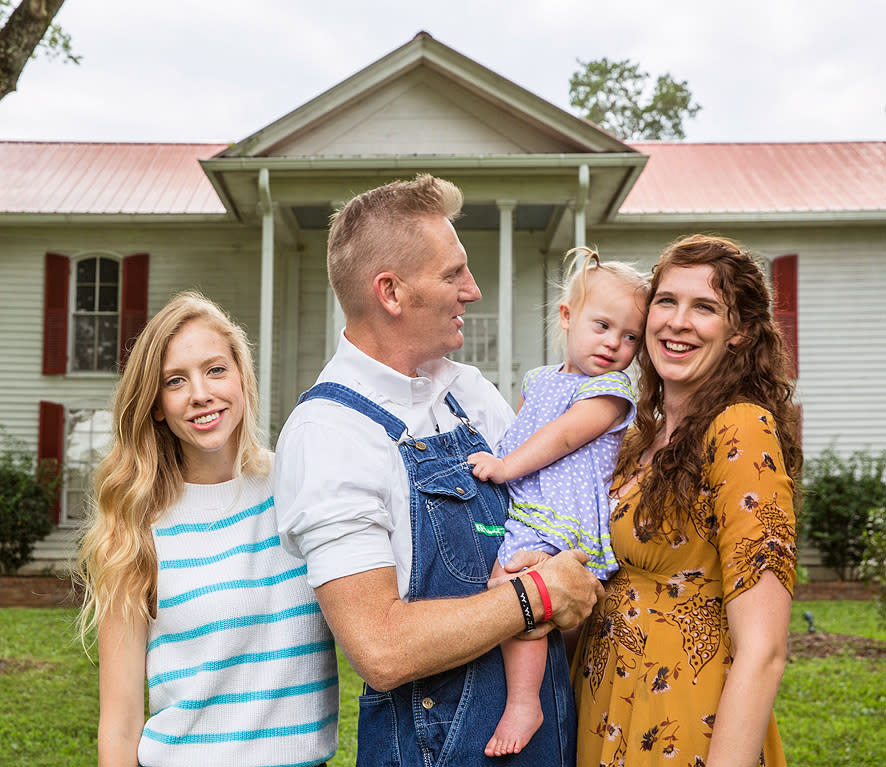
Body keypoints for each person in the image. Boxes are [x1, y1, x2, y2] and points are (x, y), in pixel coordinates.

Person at [274, 174, 604, 767]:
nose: (472, 291)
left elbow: (539, 512)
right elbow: (380, 646)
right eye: (453, 274)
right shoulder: (329, 434)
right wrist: (537, 595)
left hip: (549, 739)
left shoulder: (468, 393)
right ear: (391, 293)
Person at [77, 292, 337, 767]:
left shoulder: (302, 488)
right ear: (156, 406)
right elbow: (119, 726)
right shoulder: (136, 533)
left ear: (241, 375)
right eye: (176, 381)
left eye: (215, 369)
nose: (200, 393)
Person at [571, 234, 803, 767]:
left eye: (705, 307)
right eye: (667, 301)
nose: (678, 321)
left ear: (740, 332)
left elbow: (764, 651)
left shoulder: (741, 429)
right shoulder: (633, 439)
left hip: (685, 721)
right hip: (600, 708)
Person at [467, 249, 647, 757]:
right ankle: (549, 690)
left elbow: (564, 437)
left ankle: (526, 702)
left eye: (630, 336)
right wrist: (501, 464)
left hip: (563, 516)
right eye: (603, 325)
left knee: (516, 590)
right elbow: (521, 432)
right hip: (528, 505)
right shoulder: (539, 379)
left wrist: (504, 467)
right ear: (567, 317)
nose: (614, 343)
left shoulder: (610, 390)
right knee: (533, 609)